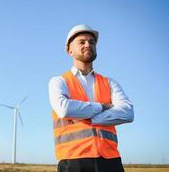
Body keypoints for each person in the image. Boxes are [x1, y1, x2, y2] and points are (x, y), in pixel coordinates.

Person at [49, 24, 134, 172]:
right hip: (73, 161)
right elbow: (64, 109)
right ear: (69, 50)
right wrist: (102, 107)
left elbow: (127, 112)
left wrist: (90, 118)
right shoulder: (59, 81)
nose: (88, 45)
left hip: (110, 160)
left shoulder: (109, 82)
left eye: (92, 42)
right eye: (82, 42)